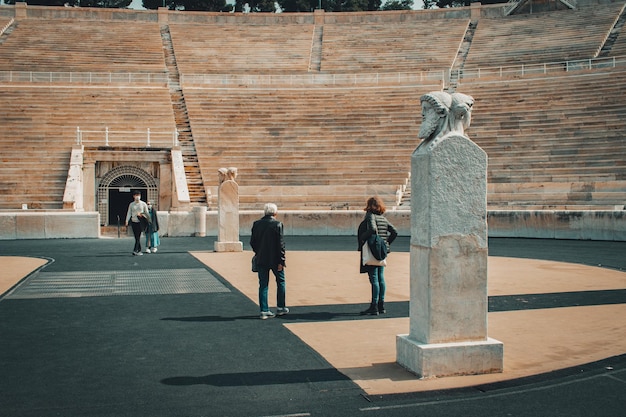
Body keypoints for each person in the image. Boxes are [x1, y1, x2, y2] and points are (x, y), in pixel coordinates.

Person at [358, 196, 398, 316]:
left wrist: (363, 238)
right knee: (381, 277)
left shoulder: (370, 215)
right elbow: (394, 232)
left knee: (374, 278)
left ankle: (374, 306)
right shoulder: (382, 218)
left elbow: (372, 229)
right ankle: (381, 305)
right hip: (382, 251)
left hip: (372, 249)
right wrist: (386, 243)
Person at [250, 203, 288, 320]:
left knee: (263, 284)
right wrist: (281, 261)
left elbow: (253, 242)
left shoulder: (256, 224)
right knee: (280, 282)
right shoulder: (277, 225)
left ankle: (264, 310)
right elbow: (280, 245)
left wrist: (258, 252)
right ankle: (281, 307)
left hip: (261, 258)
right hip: (275, 260)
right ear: (275, 213)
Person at [125, 191, 150, 256]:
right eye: (136, 195)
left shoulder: (143, 204)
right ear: (133, 196)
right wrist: (127, 220)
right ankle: (139, 250)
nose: (137, 196)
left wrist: (142, 215)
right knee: (136, 237)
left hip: (140, 222)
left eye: (138, 195)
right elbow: (129, 212)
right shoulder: (131, 204)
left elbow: (147, 213)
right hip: (134, 221)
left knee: (138, 236)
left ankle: (135, 250)